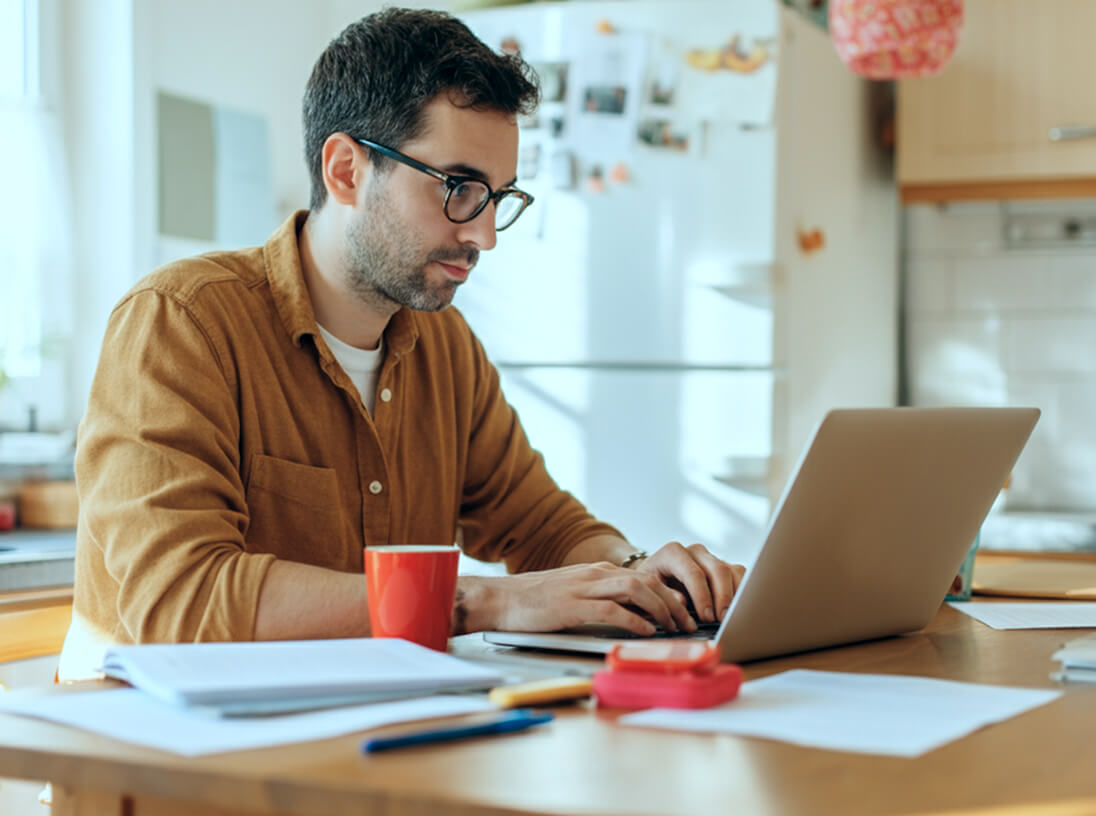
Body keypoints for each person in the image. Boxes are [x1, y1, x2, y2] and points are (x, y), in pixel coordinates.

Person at [59, 8, 745, 679]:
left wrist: (636, 575)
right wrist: (482, 602)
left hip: (369, 728)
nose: (484, 235)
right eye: (459, 188)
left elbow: (541, 526)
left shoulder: (445, 346)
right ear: (346, 171)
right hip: (157, 745)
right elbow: (181, 602)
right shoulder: (182, 322)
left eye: (498, 197)